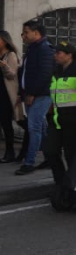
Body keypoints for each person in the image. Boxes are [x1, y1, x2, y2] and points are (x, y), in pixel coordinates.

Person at [45, 41, 76, 195]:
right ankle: (61, 182)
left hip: (73, 120)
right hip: (56, 119)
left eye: (58, 53)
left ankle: (74, 185)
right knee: (49, 151)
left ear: (69, 55)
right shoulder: (56, 72)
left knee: (71, 154)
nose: (55, 56)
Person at [16, 19, 54, 175]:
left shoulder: (45, 49)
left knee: (34, 127)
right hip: (30, 94)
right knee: (41, 127)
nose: (23, 35)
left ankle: (29, 162)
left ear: (36, 32)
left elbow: (44, 75)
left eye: (26, 32)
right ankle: (50, 158)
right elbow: (25, 73)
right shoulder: (32, 48)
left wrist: (32, 93)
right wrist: (22, 93)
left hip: (41, 95)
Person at [0, 31, 21, 163]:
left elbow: (12, 75)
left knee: (7, 124)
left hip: (6, 95)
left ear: (5, 41)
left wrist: (4, 66)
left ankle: (10, 152)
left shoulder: (10, 55)